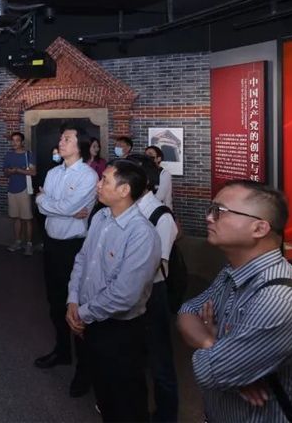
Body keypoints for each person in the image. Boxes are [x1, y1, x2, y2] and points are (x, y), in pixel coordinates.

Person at [177, 181, 292, 423]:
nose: (209, 217)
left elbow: (211, 371)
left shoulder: (277, 301)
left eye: (219, 211)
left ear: (259, 228)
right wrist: (212, 343)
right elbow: (187, 311)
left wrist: (220, 358)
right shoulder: (232, 272)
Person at [67, 159, 162, 421]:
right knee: (104, 394)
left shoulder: (142, 234)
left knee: (126, 400)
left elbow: (124, 295)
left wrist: (82, 314)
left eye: (105, 180)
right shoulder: (101, 217)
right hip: (90, 321)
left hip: (120, 330)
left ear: (124, 190)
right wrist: (73, 300)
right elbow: (82, 260)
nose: (98, 184)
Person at [33, 124, 99, 398]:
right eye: (61, 138)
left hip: (74, 247)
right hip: (51, 245)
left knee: (77, 306)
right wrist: (49, 202)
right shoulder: (53, 172)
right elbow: (44, 205)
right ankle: (62, 351)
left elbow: (65, 206)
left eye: (67, 139)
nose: (61, 142)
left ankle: (84, 369)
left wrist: (48, 202)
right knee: (55, 301)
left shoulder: (88, 176)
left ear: (79, 145)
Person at [128, 154, 180, 422]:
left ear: (145, 181)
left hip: (152, 293)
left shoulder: (160, 215)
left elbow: (156, 264)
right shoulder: (123, 210)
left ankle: (166, 414)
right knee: (132, 354)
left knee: (160, 359)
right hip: (127, 292)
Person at [2, 132, 36, 256]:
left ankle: (29, 244)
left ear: (22, 142)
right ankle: (17, 242)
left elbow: (33, 172)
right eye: (13, 140)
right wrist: (10, 171)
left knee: (27, 219)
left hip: (24, 190)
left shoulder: (28, 155)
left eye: (17, 140)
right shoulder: (8, 155)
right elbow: (5, 173)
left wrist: (18, 170)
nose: (14, 143)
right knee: (16, 218)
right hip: (12, 189)